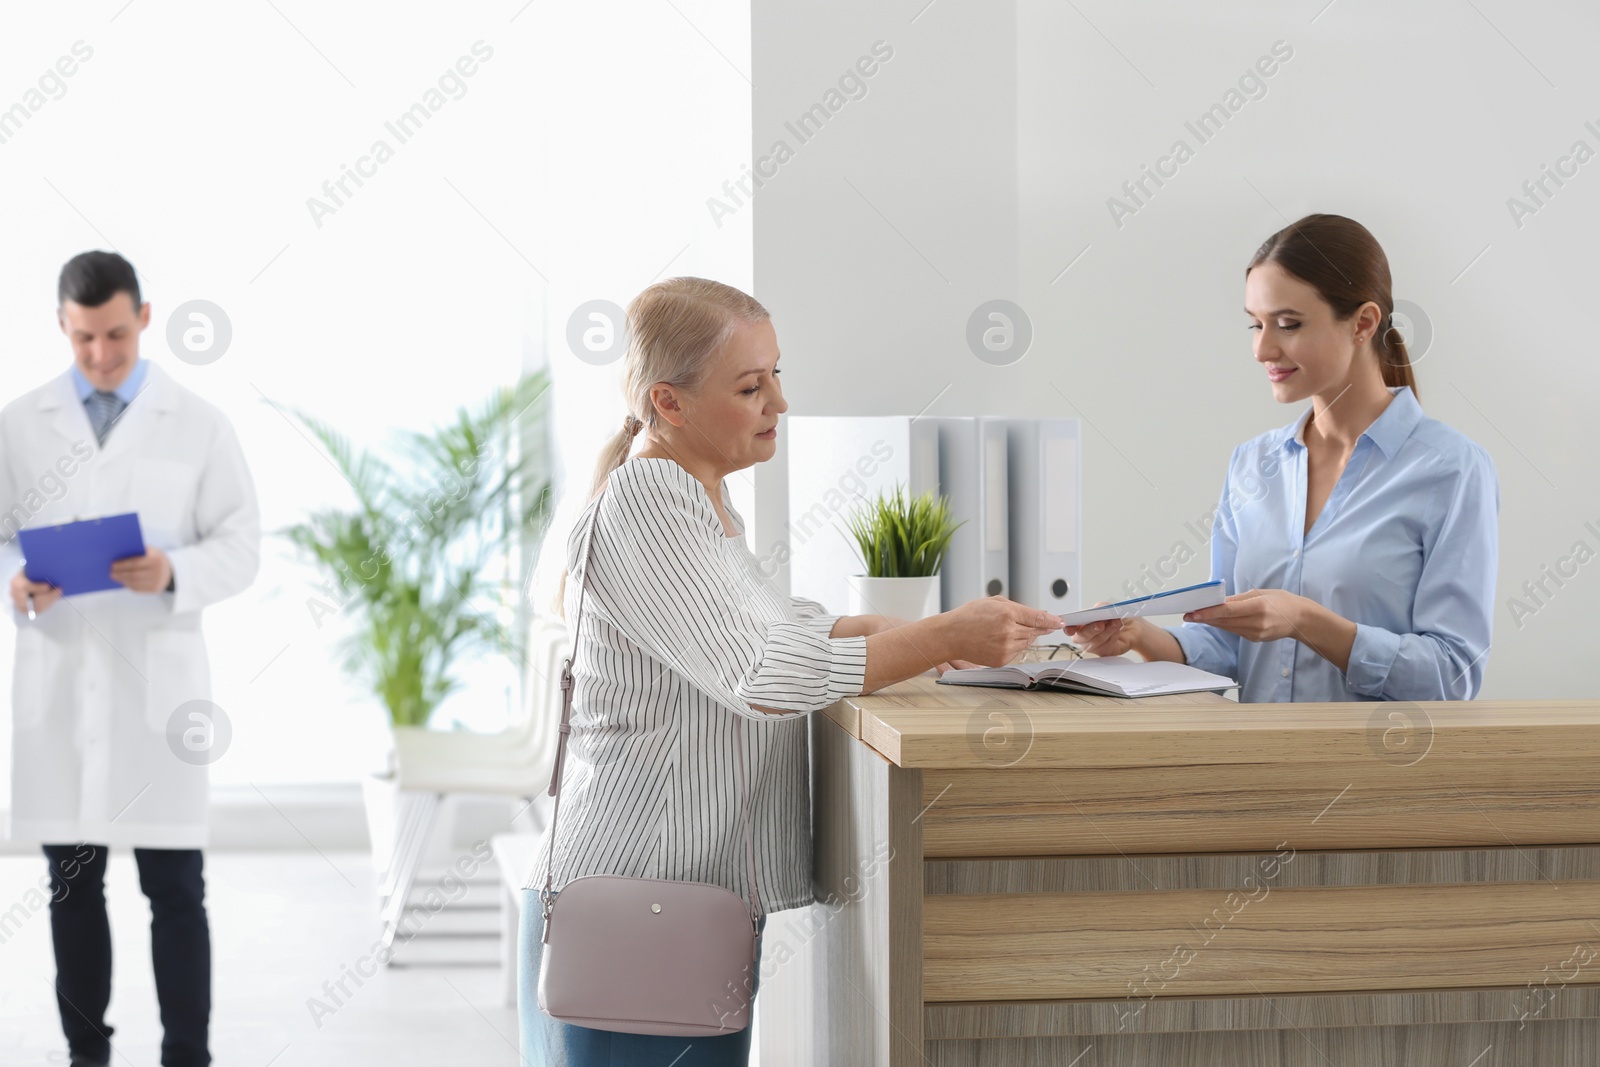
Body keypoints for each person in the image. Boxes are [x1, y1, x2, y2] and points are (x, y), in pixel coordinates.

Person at [518, 277, 1061, 1065]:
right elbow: (760, 674)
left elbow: (753, 626)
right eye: (750, 385)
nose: (779, 402)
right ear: (668, 403)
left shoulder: (701, 499)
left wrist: (863, 626)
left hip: (681, 905)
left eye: (777, 374)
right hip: (639, 908)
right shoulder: (649, 500)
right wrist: (942, 631)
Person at [1, 251, 261, 1067]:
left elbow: (244, 543)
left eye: (115, 334)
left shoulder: (199, 423)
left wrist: (174, 570)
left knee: (175, 892)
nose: (101, 355)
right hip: (60, 684)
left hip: (157, 688)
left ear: (145, 317)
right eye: (83, 339)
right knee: (73, 889)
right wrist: (13, 579)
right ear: (61, 327)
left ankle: (187, 1053)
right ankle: (89, 1054)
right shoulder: (18, 424)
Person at [1069, 214, 1498, 702]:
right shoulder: (1252, 464)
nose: (1262, 348)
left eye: (1288, 324)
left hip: (1377, 769)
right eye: (1256, 324)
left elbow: (1454, 675)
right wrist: (1141, 636)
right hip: (1260, 767)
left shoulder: (1450, 469)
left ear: (1363, 323)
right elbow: (1230, 646)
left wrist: (1305, 620)